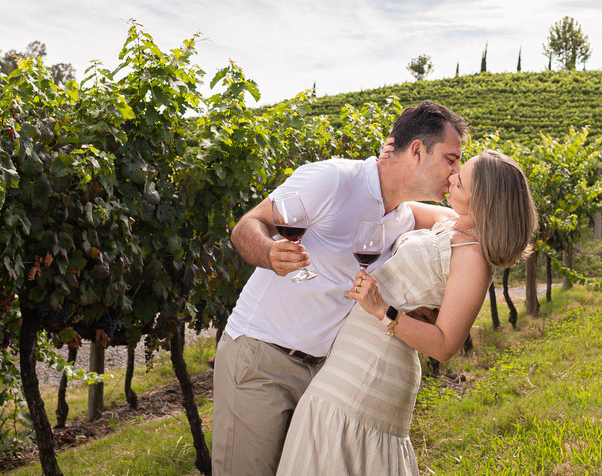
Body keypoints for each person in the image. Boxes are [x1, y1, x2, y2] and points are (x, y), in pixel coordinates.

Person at [212, 100, 469, 476]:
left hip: (322, 372)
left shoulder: (404, 215)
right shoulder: (334, 179)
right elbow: (247, 226)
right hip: (262, 357)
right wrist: (269, 253)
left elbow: (467, 222)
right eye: (451, 159)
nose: (456, 171)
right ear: (417, 150)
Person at [276, 149, 538, 475]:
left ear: (485, 201)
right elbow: (401, 205)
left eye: (461, 180)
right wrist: (391, 158)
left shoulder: (473, 256)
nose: (452, 176)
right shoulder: (451, 223)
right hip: (351, 357)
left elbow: (445, 345)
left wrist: (383, 310)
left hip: (374, 369)